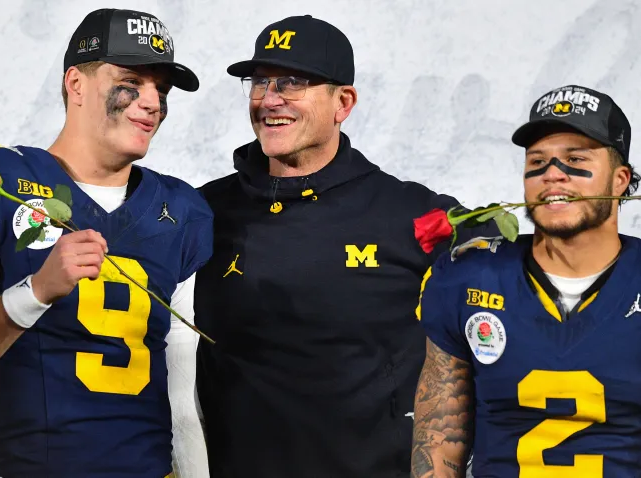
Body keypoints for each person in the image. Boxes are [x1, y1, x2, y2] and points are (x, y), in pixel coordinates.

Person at [193, 14, 498, 478]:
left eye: (292, 82)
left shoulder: (411, 213)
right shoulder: (204, 211)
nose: (270, 99)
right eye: (259, 82)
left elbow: (518, 296)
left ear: (344, 102)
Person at [0, 8, 212, 478]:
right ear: (76, 84)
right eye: (132, 81)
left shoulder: (181, 209)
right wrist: (33, 292)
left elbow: (183, 383)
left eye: (162, 89)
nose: (153, 102)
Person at [412, 84, 641, 477]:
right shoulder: (469, 276)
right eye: (537, 162)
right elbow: (436, 444)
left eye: (575, 159)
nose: (553, 174)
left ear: (620, 180)